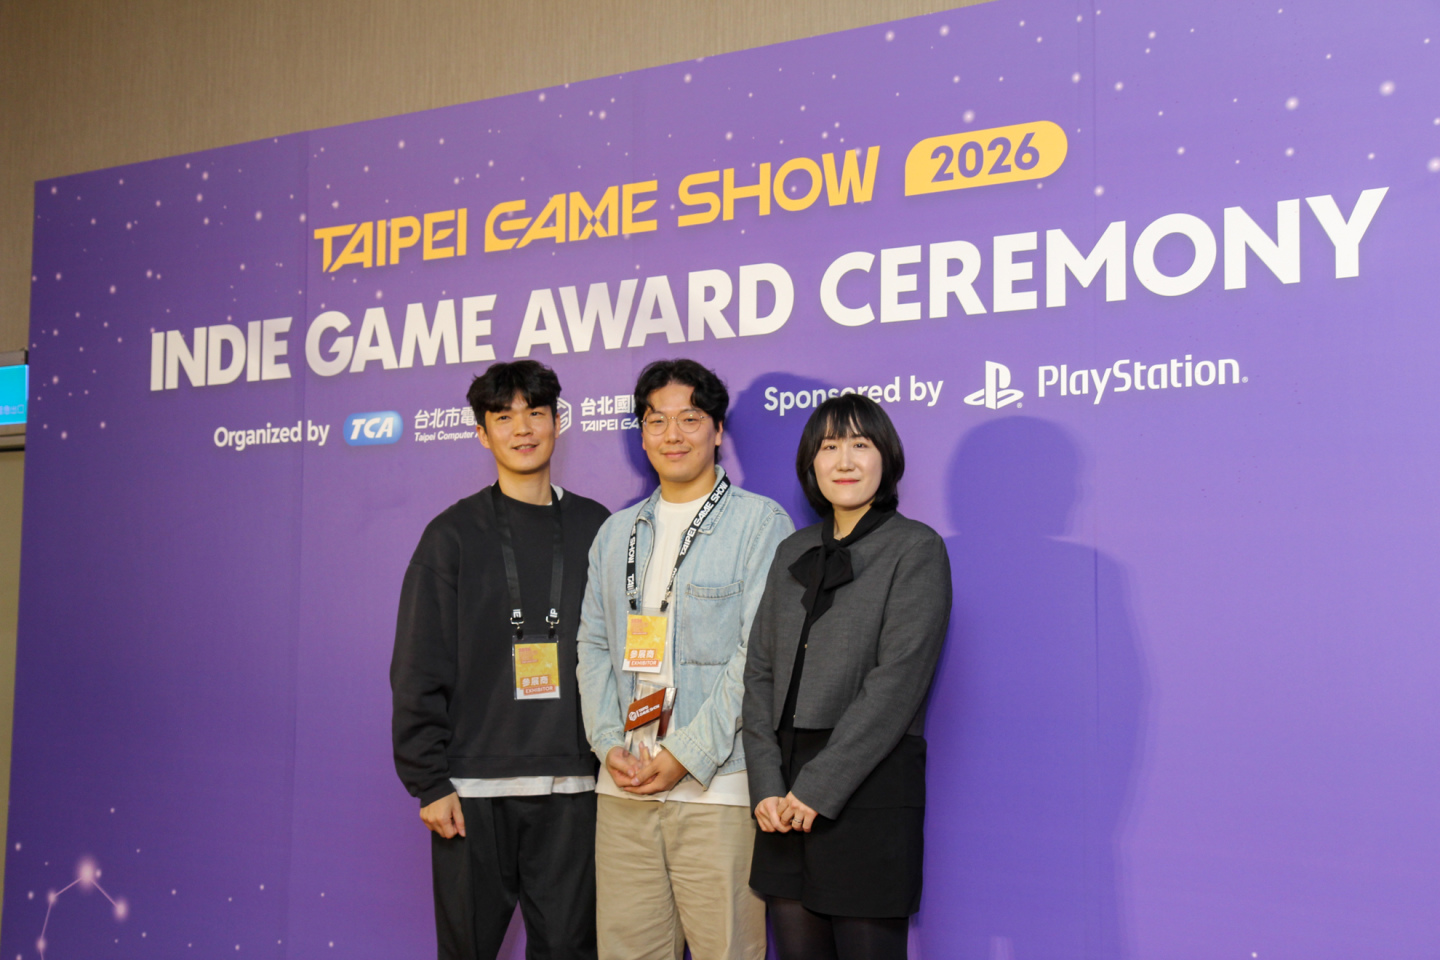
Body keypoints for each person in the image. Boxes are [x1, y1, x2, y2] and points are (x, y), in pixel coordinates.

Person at [391, 360, 611, 960]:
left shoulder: (599, 526)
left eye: (536, 413)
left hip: (575, 787)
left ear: (557, 423)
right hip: (471, 792)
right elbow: (417, 665)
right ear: (482, 433)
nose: (523, 428)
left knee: (570, 950)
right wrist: (429, 782)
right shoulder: (451, 535)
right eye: (504, 417)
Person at [575, 359, 794, 960]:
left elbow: (758, 656)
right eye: (657, 421)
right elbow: (594, 645)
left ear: (718, 430)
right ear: (642, 434)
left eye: (690, 419)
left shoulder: (760, 524)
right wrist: (607, 744)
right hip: (624, 787)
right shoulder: (615, 533)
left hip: (716, 789)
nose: (672, 435)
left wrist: (685, 755)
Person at [742, 394, 952, 960]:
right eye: (829, 446)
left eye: (861, 444)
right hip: (782, 794)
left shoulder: (915, 548)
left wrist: (818, 787)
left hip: (868, 783)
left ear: (886, 457)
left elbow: (896, 684)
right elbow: (759, 672)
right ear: (811, 462)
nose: (844, 461)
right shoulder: (793, 549)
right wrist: (766, 783)